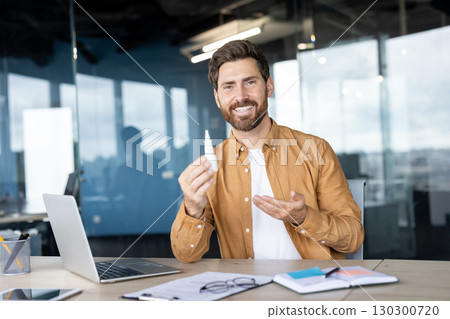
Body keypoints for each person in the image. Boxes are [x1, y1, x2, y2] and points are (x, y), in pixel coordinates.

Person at [170, 40, 364, 263]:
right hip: (246, 291)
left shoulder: (315, 150)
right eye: (228, 86)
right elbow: (186, 254)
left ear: (269, 87)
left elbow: (354, 238)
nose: (240, 96)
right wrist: (193, 208)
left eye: (250, 82)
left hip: (314, 287)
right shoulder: (212, 166)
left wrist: (304, 217)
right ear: (217, 98)